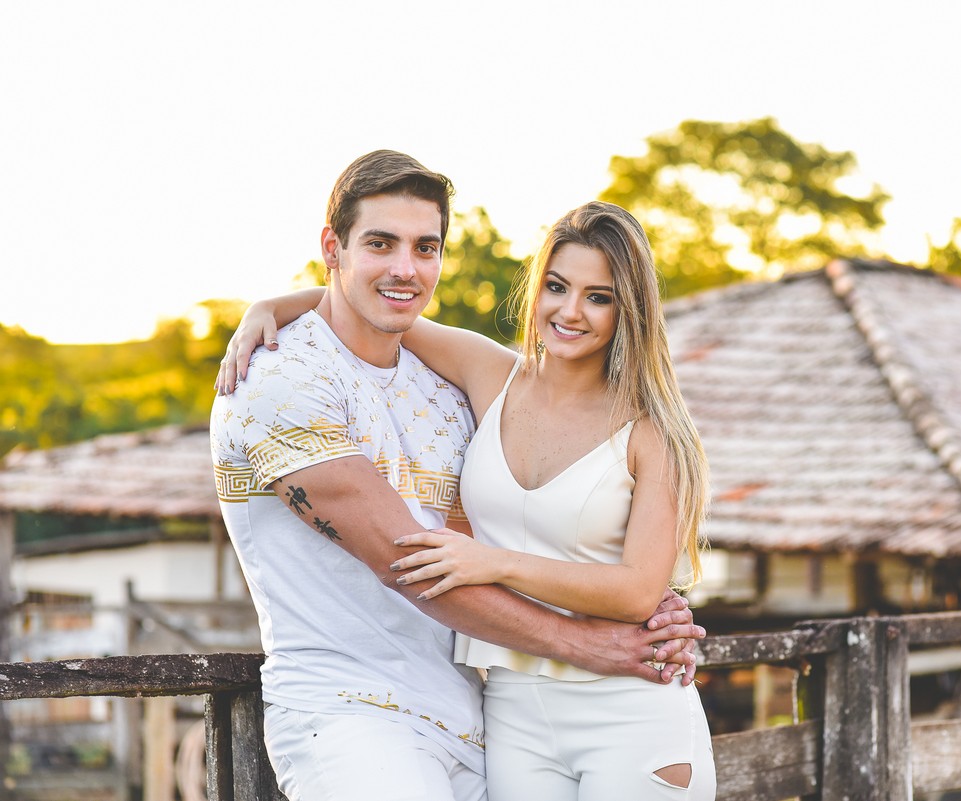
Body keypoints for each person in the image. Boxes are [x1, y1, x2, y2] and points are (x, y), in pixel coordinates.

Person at [210, 151, 703, 801]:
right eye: (379, 243)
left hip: (485, 716)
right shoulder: (285, 376)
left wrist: (517, 571)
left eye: (425, 247)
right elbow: (409, 560)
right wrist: (589, 645)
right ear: (332, 247)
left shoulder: (460, 386)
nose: (405, 267)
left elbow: (389, 305)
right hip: (357, 715)